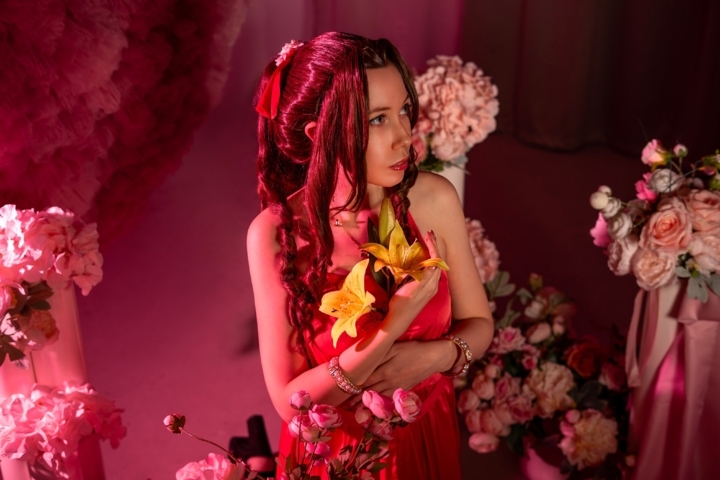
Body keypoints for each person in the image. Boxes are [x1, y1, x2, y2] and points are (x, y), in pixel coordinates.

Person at [247, 32, 494, 479]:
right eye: (378, 120)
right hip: (336, 455)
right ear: (318, 135)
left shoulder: (434, 200)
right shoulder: (274, 235)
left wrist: (436, 357)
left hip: (425, 434)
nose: (405, 137)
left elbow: (479, 324)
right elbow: (290, 404)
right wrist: (392, 327)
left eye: (404, 110)